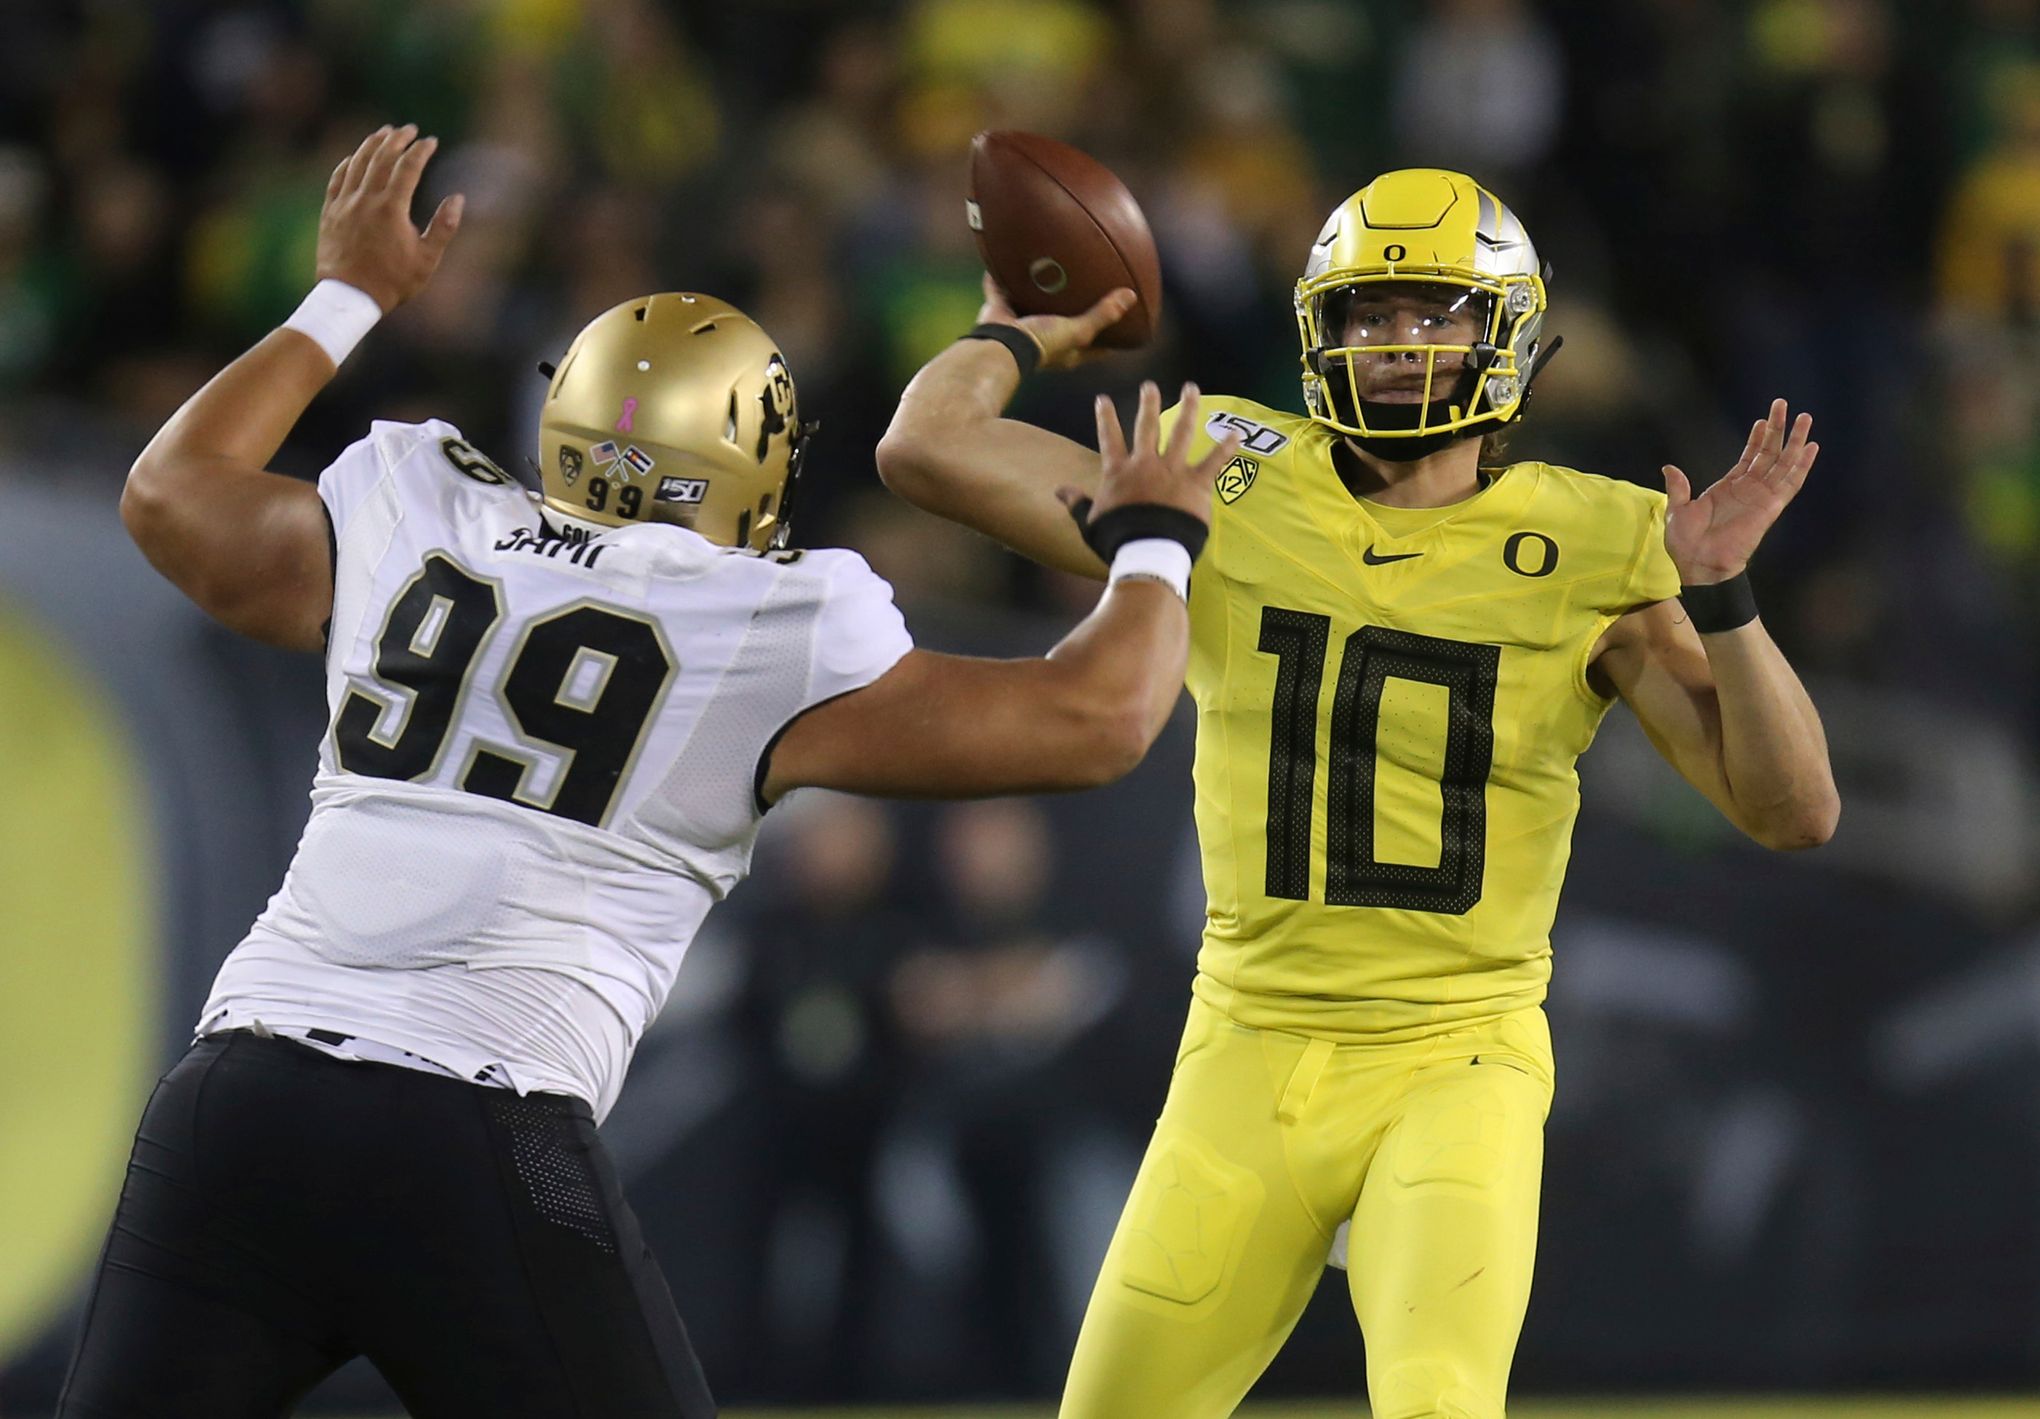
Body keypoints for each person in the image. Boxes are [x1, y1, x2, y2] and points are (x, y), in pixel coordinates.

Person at [65, 123, 1238, 1418]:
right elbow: (1099, 716)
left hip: (235, 1100)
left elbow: (172, 490)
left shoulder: (422, 512)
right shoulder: (757, 622)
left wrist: (347, 292)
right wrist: (1155, 540)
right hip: (476, 1124)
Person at [877, 166, 1839, 1419]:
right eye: (1369, 314)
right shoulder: (1226, 473)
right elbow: (927, 449)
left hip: (1458, 1056)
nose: (1396, 343)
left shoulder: (1601, 542)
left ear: (1510, 330)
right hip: (1244, 1045)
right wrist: (1009, 328)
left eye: (1433, 312)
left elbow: (1793, 809)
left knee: (1439, 1403)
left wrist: (1724, 601)